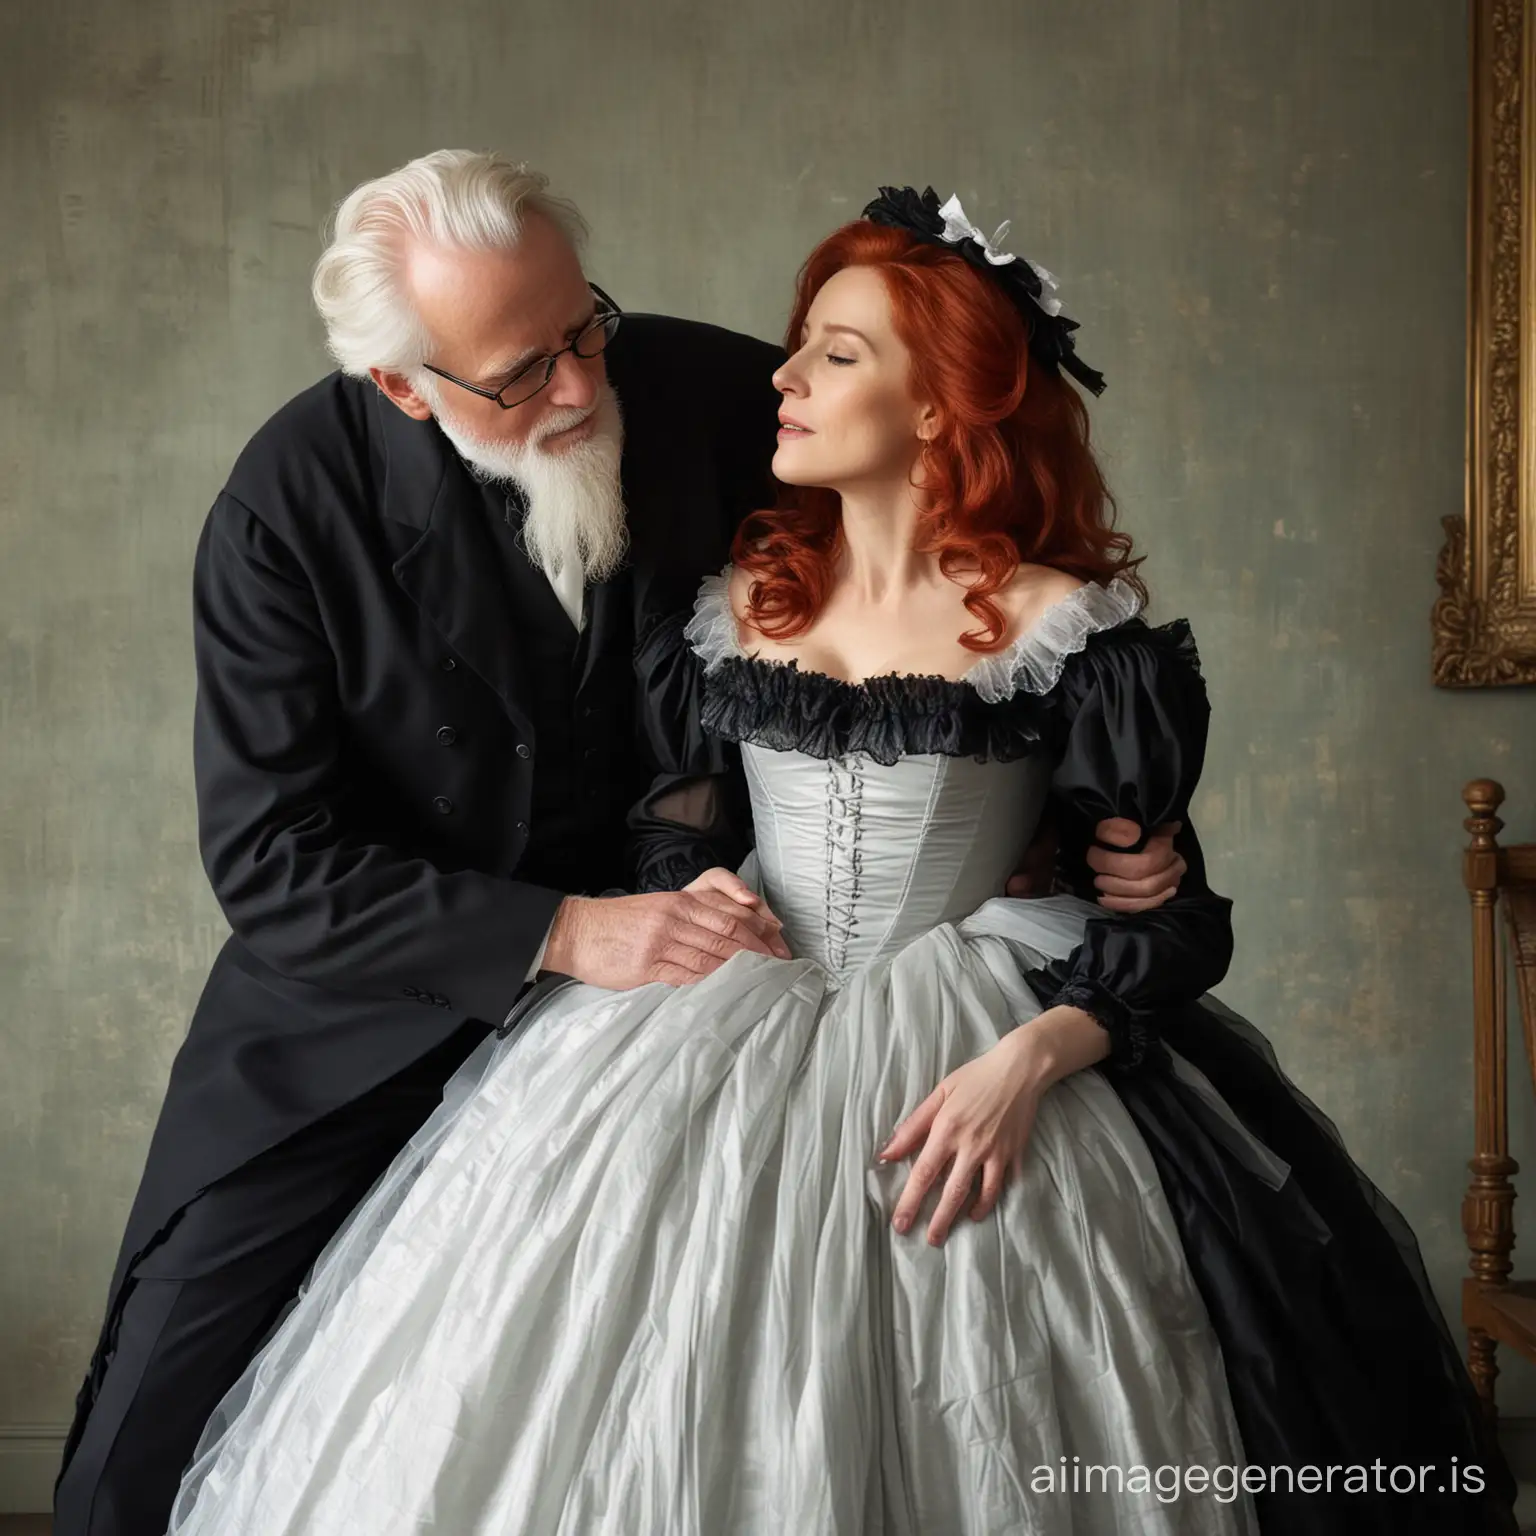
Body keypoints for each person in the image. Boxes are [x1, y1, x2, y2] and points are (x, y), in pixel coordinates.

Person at [159, 186, 1517, 1535]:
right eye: (531, 368)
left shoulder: (1075, 641)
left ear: (938, 406)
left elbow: (1162, 919)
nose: (781, 379)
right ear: (414, 384)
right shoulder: (723, 607)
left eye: (831, 354)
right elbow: (659, 824)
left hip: (987, 1019)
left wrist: (1033, 1042)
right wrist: (685, 886)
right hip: (696, 1010)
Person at [53, 155, 1180, 1536]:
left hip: (717, 978)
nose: (584, 388)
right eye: (524, 375)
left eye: (586, 327)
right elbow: (277, 858)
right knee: (160, 1428)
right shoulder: (290, 506)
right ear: (410, 386)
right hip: (372, 996)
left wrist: (1042, 839)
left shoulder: (719, 393)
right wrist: (572, 933)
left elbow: (922, 512)